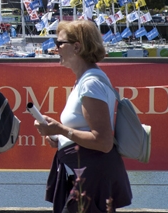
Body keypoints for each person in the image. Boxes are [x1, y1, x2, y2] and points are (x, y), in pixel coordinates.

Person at [34, 20, 132, 213]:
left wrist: (61, 130)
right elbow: (84, 130)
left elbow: (103, 142)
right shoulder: (86, 81)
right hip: (85, 174)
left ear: (77, 47)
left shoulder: (90, 84)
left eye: (59, 43)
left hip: (90, 177)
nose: (55, 49)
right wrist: (60, 137)